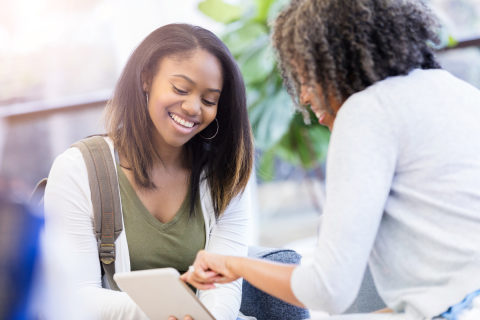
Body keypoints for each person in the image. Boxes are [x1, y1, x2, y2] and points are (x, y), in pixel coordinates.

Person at [181, 0, 480, 319]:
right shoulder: (459, 93)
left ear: (339, 58)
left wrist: (232, 263)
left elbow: (329, 291)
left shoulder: (367, 111)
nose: (305, 96)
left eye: (307, 76)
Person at [44, 23, 253, 320]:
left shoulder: (225, 174)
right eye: (180, 89)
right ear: (146, 79)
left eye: (209, 100)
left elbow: (224, 287)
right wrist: (168, 313)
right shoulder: (77, 170)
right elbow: (76, 295)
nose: (194, 107)